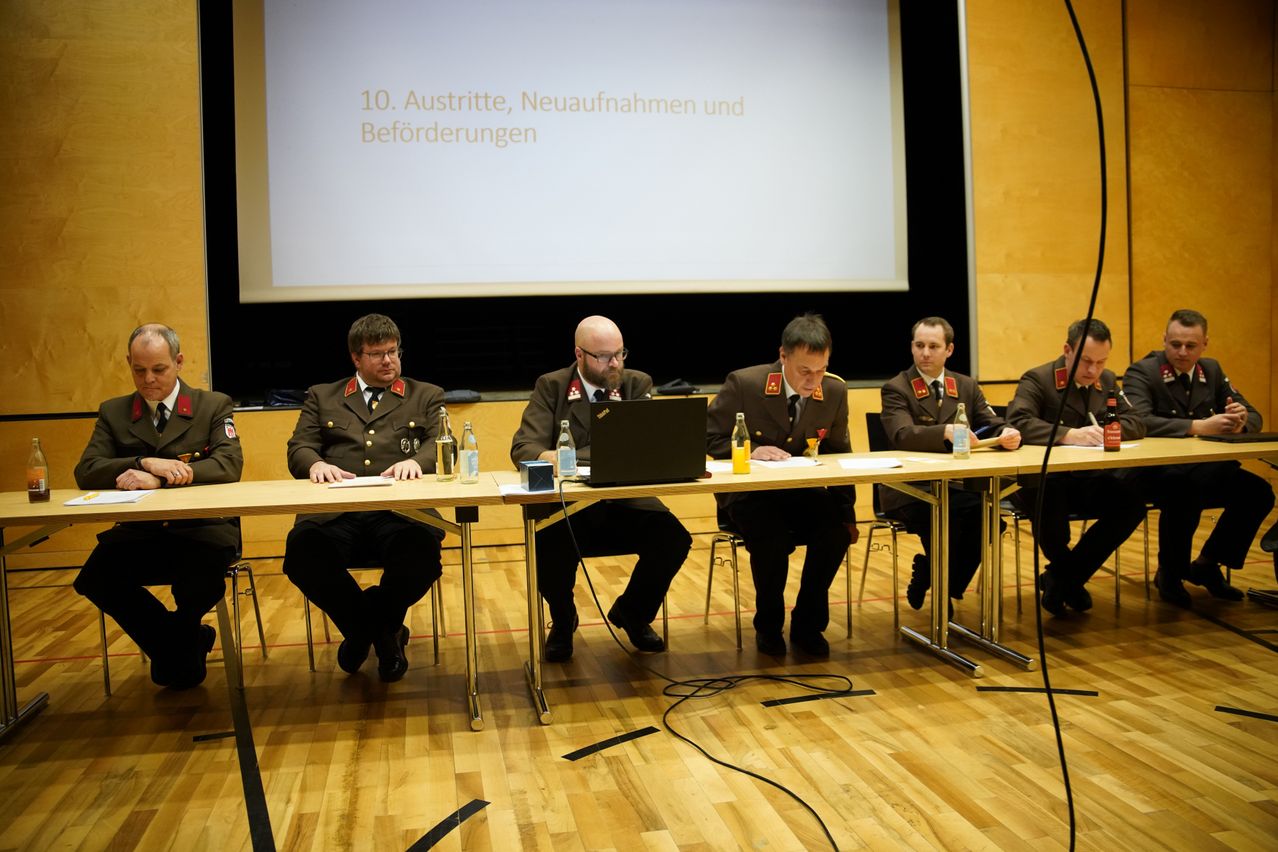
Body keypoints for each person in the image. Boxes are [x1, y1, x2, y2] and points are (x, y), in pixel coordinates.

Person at [510, 315, 691, 662]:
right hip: (572, 505)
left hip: (627, 502)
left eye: (621, 354)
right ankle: (563, 620)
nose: (616, 364)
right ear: (579, 355)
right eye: (605, 356)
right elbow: (524, 449)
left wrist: (568, 456)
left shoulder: (636, 384)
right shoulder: (552, 386)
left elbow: (646, 448)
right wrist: (592, 456)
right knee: (546, 542)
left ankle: (633, 612)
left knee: (674, 539)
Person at [73, 324, 243, 689]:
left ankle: (175, 648)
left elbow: (228, 465)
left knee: (200, 583)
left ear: (178, 362)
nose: (148, 379)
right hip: (140, 532)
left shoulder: (211, 405)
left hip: (202, 529)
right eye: (139, 370)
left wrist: (164, 478)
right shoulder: (114, 412)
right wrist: (142, 462)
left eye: (159, 369)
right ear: (129, 364)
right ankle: (184, 642)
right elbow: (86, 471)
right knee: (95, 577)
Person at [283, 314, 446, 682]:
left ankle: (362, 632)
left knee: (421, 555)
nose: (388, 361)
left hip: (400, 512)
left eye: (393, 352)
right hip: (334, 512)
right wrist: (314, 464)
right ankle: (383, 633)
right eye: (377, 354)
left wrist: (416, 461)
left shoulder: (425, 394)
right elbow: (299, 447)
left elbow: (439, 444)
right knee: (302, 555)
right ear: (356, 358)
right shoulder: (323, 395)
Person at [706, 313, 856, 657]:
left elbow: (838, 453)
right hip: (750, 495)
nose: (813, 380)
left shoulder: (834, 390)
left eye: (820, 370)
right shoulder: (745, 384)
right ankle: (769, 625)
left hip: (802, 491)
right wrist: (754, 450)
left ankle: (808, 623)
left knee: (834, 534)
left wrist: (847, 512)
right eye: (805, 371)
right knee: (772, 540)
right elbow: (707, 437)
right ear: (783, 356)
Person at [1122, 309, 1275, 606]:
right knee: (1183, 490)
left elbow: (1254, 415)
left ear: (1205, 343)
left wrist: (1242, 420)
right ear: (1164, 340)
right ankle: (1171, 572)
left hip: (1206, 469)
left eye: (1190, 346)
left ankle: (1207, 563)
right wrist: (1197, 427)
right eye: (1175, 344)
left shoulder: (1212, 371)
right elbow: (1137, 420)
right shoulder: (1143, 372)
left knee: (1259, 493)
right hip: (1157, 472)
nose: (1182, 352)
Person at [1006, 318, 1148, 616]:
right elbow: (1018, 422)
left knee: (1131, 504)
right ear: (1067, 350)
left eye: (1101, 362)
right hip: (1039, 481)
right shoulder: (1039, 379)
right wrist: (1069, 434)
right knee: (1052, 502)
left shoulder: (1106, 381)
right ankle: (1068, 579)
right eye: (1086, 361)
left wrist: (1112, 430)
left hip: (1087, 477)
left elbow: (1136, 421)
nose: (1093, 370)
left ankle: (1063, 578)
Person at [879, 316, 1021, 611]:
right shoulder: (897, 388)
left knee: (989, 522)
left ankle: (935, 577)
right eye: (919, 345)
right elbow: (901, 435)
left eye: (933, 346)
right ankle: (943, 602)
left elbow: (990, 421)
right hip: (911, 488)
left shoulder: (965, 385)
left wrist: (1004, 432)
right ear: (912, 347)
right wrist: (943, 432)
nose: (925, 353)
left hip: (957, 486)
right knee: (946, 521)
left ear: (950, 350)